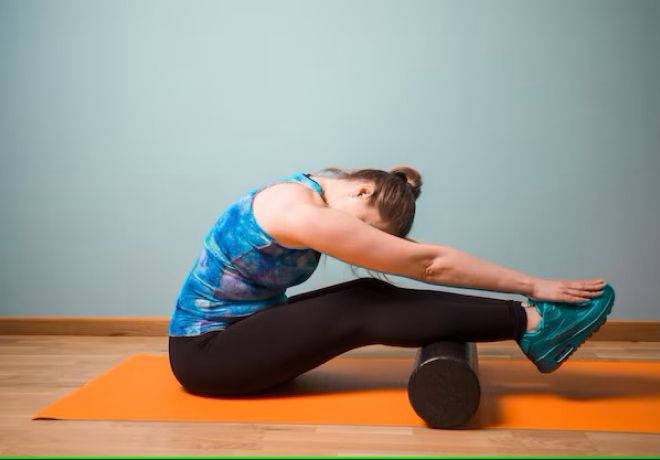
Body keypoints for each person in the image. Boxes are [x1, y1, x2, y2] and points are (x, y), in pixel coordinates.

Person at [168, 166, 615, 397]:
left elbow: (421, 257)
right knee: (359, 307)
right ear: (363, 190)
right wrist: (534, 285)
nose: (364, 239)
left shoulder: (313, 193)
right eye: (368, 227)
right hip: (208, 357)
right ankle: (532, 323)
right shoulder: (301, 212)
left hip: (242, 339)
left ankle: (529, 320)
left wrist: (528, 287)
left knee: (368, 292)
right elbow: (429, 264)